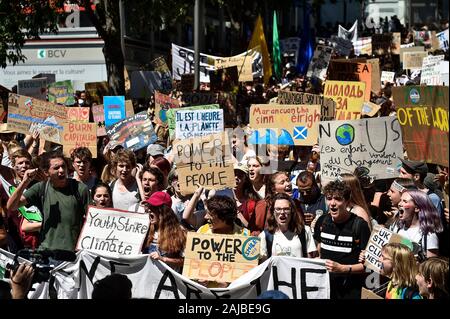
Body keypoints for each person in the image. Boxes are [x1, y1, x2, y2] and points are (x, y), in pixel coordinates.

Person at [6, 150, 90, 251]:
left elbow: (92, 220)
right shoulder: (41, 188)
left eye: (63, 166)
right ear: (46, 172)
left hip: (72, 254)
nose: (61, 170)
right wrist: (25, 182)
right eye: (56, 168)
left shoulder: (80, 189)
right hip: (47, 253)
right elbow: (12, 206)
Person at [314, 180, 371, 299]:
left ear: (347, 202)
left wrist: (342, 269)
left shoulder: (359, 226)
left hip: (351, 292)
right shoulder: (322, 222)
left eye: (338, 199)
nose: (332, 203)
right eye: (329, 198)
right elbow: (319, 253)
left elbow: (368, 266)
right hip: (325, 290)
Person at [259, 193, 317, 261]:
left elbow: (311, 261)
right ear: (273, 212)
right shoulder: (265, 236)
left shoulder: (305, 231)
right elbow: (263, 264)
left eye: (286, 209)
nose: (282, 212)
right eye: (278, 209)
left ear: (292, 211)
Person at [392, 189, 443, 258]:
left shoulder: (428, 235)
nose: (399, 204)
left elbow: (431, 266)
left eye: (405, 201)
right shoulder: (396, 228)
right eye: (401, 200)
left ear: (417, 208)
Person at [142, 191, 186, 272]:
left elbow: (185, 261)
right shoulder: (145, 229)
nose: (149, 210)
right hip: (147, 279)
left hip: (167, 282)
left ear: (164, 211)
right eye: (149, 207)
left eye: (153, 208)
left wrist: (163, 259)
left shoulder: (179, 232)